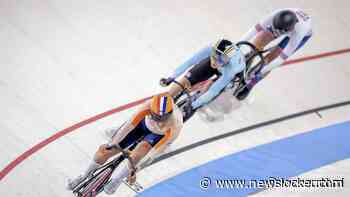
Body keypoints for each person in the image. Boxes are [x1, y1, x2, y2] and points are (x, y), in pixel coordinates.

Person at [66, 93, 183, 195]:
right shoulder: (146, 106)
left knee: (140, 152)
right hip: (142, 125)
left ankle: (117, 181)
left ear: (170, 113)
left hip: (157, 136)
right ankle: (84, 175)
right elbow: (126, 128)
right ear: (151, 110)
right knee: (103, 152)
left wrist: (135, 169)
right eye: (156, 116)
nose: (158, 120)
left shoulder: (175, 125)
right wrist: (111, 144)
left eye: (162, 117)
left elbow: (154, 153)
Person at [236, 8, 312, 100]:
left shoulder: (300, 31)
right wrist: (235, 47)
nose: (279, 33)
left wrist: (261, 71)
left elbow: (280, 59)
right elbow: (253, 31)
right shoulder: (276, 15)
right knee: (257, 43)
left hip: (300, 36)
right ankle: (247, 62)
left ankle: (249, 86)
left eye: (280, 32)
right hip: (281, 25)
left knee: (271, 59)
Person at [160, 39, 246, 118]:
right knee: (186, 80)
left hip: (232, 71)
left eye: (221, 60)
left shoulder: (230, 69)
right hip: (218, 64)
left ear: (228, 60)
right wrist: (171, 77)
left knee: (213, 90)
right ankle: (170, 96)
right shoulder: (210, 49)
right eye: (215, 57)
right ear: (213, 51)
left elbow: (213, 91)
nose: (216, 62)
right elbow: (190, 62)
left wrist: (193, 106)